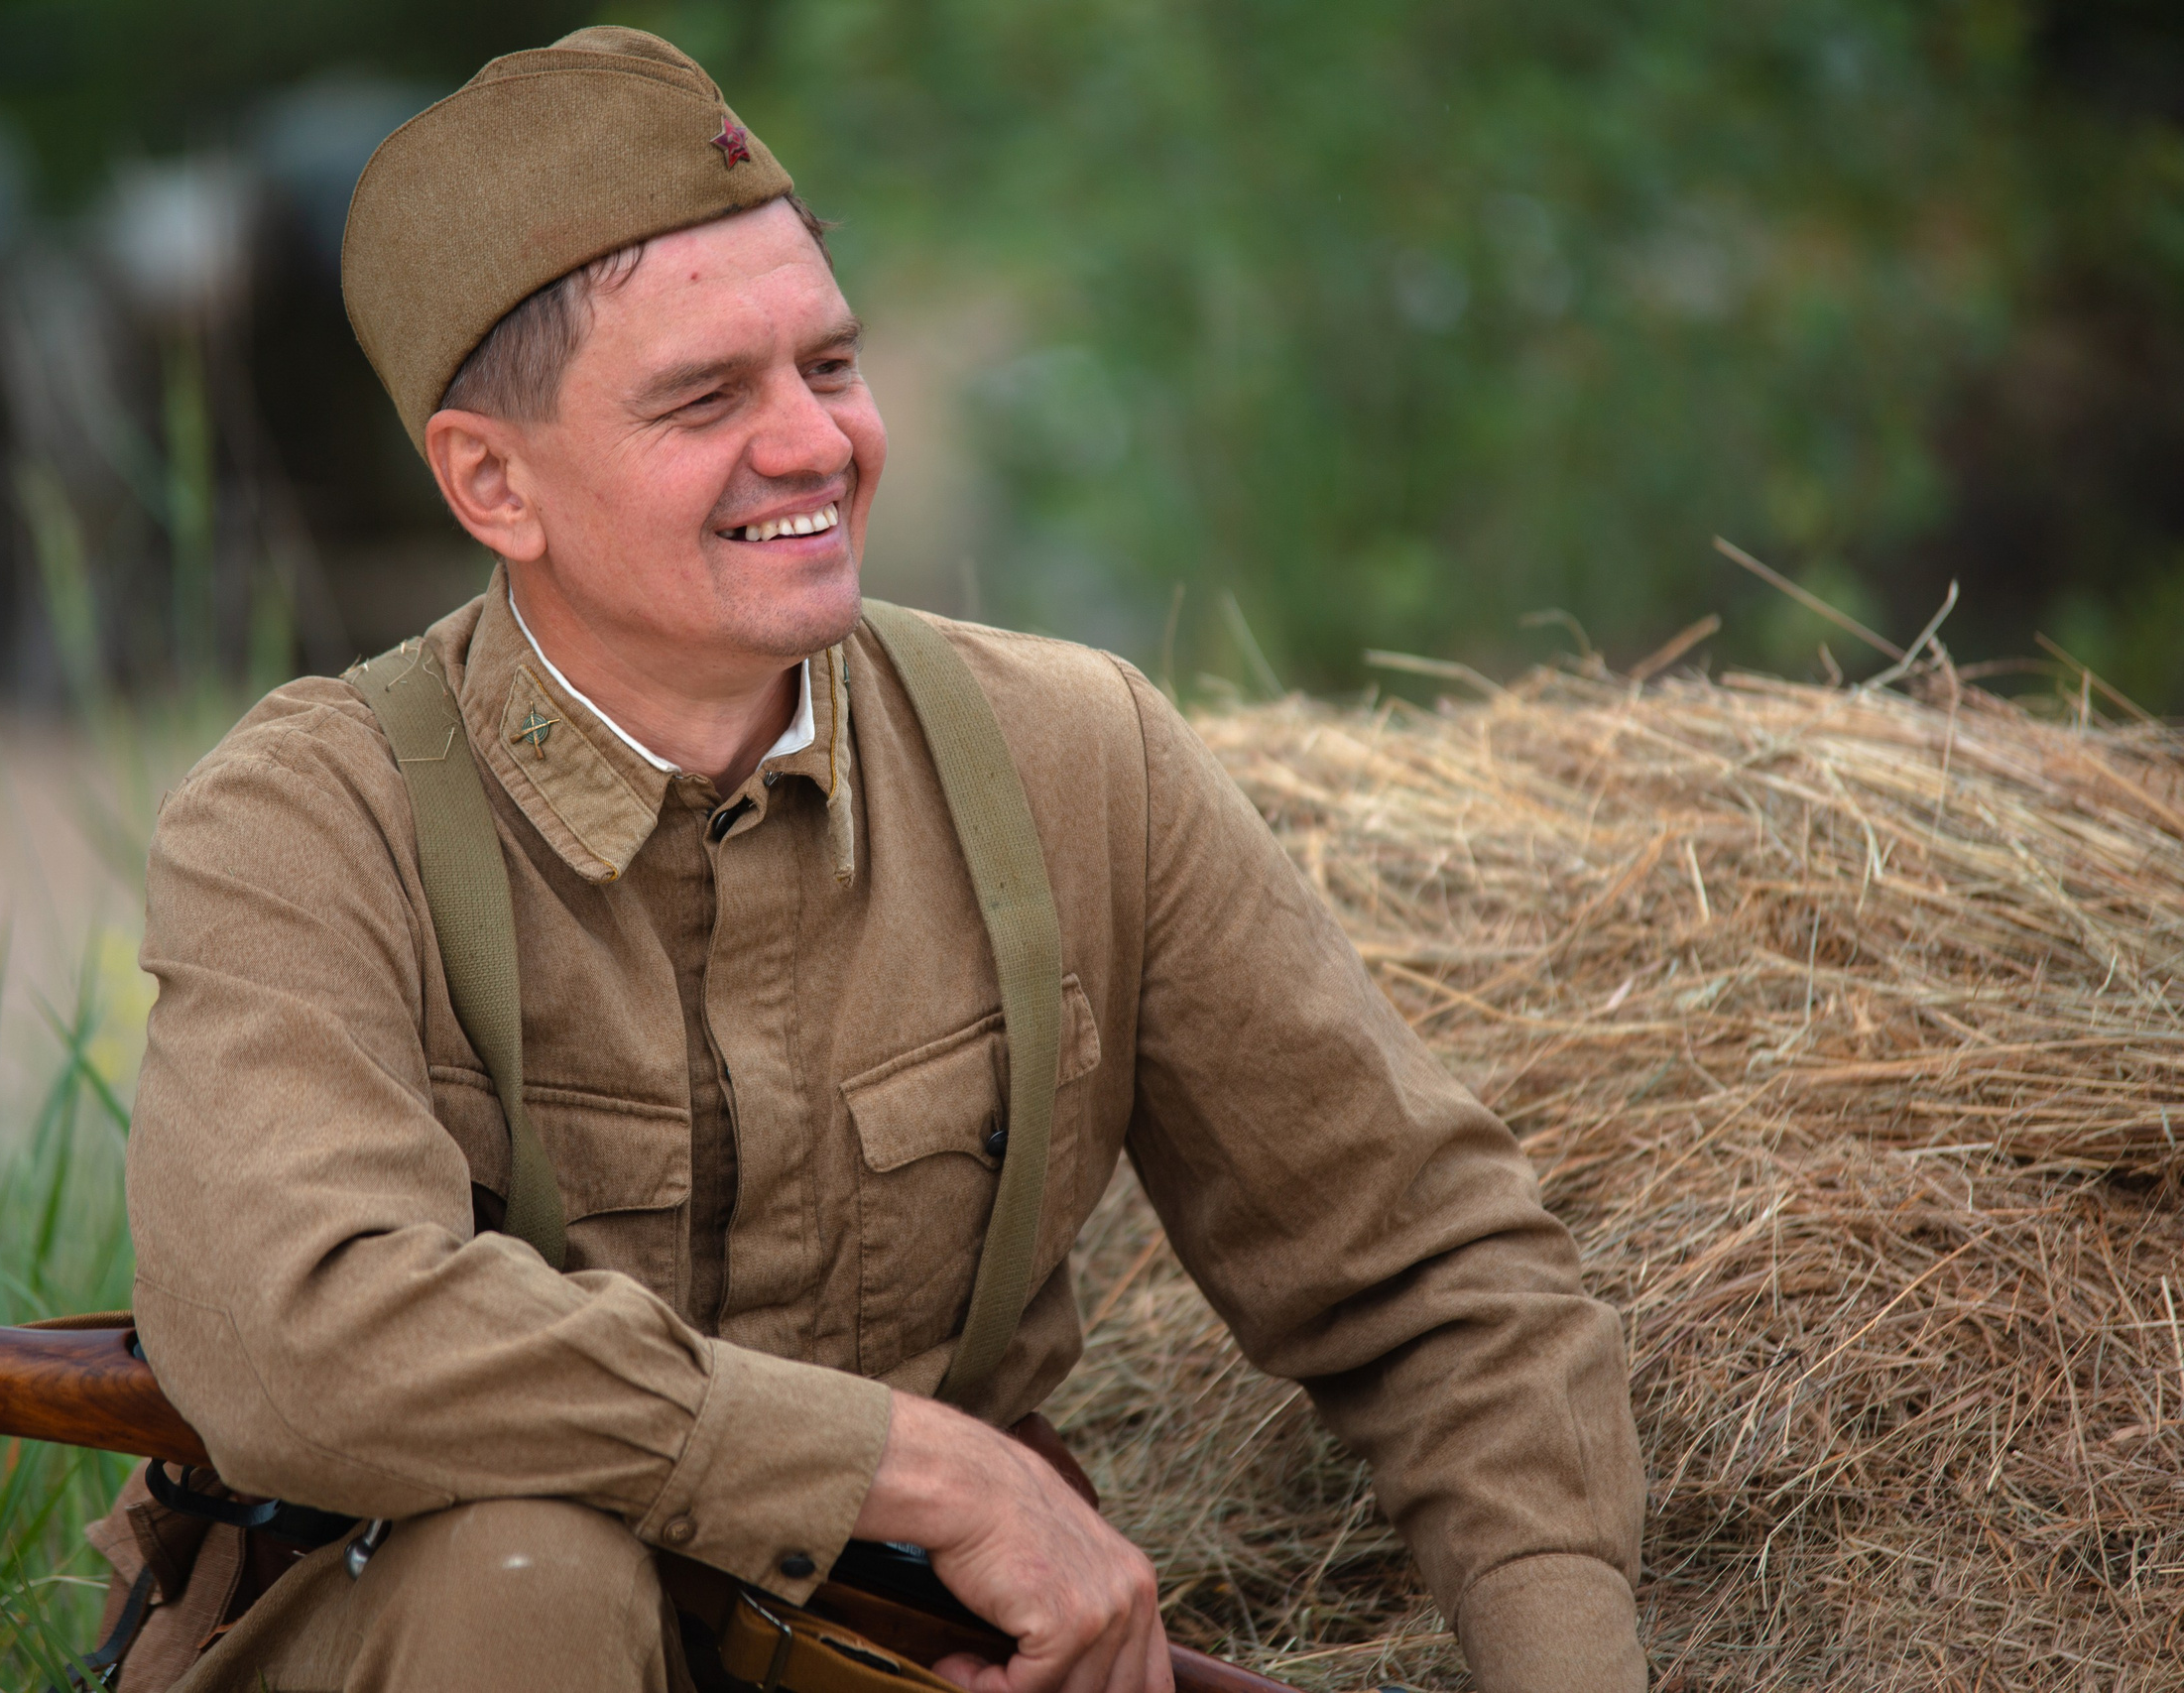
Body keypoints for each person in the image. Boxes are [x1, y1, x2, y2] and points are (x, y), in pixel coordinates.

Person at [97, 26, 1646, 1693]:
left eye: (828, 368)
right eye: (706, 397)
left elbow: (1438, 1276)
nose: (815, 446)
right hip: (428, 1642)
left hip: (911, 1656)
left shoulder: (1076, 755)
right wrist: (911, 1465)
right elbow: (303, 1333)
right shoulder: (310, 819)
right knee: (522, 1568)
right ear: (492, 481)